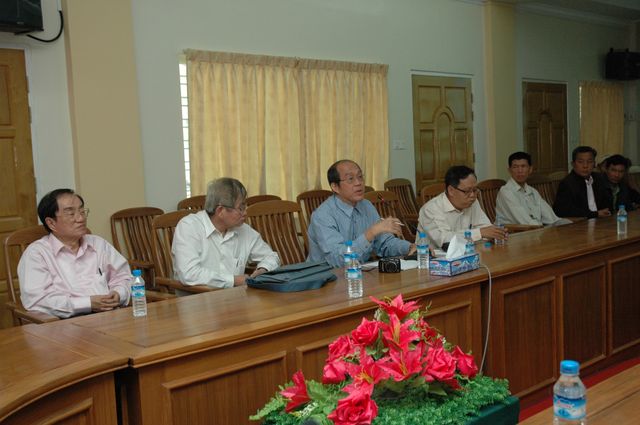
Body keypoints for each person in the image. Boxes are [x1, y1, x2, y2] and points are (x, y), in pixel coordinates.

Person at [18, 189, 131, 318]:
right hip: (63, 323)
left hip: (110, 316)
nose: (81, 218)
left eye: (82, 211)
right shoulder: (36, 254)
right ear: (51, 223)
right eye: (71, 213)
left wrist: (118, 294)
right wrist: (88, 304)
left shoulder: (99, 244)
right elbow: (38, 301)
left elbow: (125, 277)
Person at [172, 177, 280, 288]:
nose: (245, 213)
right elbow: (189, 274)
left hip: (235, 296)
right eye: (241, 208)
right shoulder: (189, 227)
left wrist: (263, 269)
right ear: (220, 211)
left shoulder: (244, 230)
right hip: (196, 297)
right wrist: (234, 280)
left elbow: (271, 256)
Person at [307, 159, 415, 268]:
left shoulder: (366, 206)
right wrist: (371, 233)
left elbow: (384, 243)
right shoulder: (322, 216)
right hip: (326, 275)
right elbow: (339, 261)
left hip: (359, 272)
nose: (358, 183)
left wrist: (409, 247)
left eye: (360, 177)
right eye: (350, 179)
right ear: (335, 187)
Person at [418, 165, 507, 249]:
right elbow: (445, 240)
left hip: (469, 252)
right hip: (433, 257)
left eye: (475, 190)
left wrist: (495, 234)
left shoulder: (472, 202)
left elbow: (486, 228)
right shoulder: (431, 209)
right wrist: (479, 233)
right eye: (467, 191)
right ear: (451, 190)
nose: (472, 195)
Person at [496, 152, 571, 226]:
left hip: (535, 230)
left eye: (523, 166)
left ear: (530, 169)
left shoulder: (533, 191)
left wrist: (564, 223)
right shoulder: (506, 192)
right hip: (515, 232)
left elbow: (551, 218)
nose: (520, 171)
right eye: (515, 167)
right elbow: (525, 222)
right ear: (509, 170)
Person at [553, 146, 611, 219]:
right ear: (573, 164)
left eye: (589, 162)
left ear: (594, 164)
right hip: (581, 222)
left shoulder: (599, 178)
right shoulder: (567, 183)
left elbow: (607, 203)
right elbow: (561, 210)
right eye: (580, 162)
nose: (585, 166)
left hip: (601, 220)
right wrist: (595, 214)